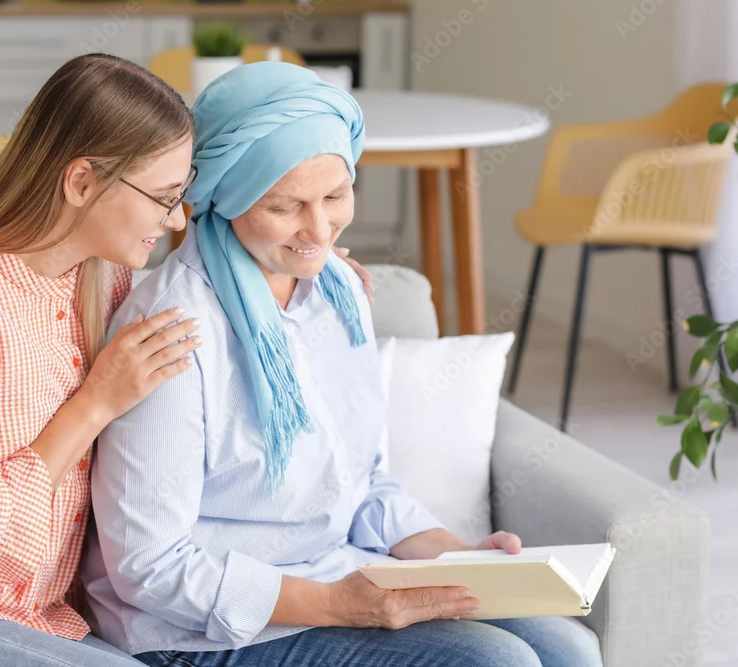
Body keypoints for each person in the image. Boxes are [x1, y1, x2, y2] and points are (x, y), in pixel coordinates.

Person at [0, 54, 372, 667]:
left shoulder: (105, 278)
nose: (176, 219)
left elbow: (211, 276)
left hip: (32, 617)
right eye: (162, 198)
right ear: (80, 183)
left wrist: (311, 268)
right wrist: (96, 402)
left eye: (180, 196)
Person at [81, 62, 604, 667]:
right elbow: (149, 567)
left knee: (566, 645)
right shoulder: (171, 331)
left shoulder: (339, 291)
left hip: (335, 573)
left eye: (334, 196)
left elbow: (362, 484)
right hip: (200, 631)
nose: (318, 230)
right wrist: (338, 605)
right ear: (227, 198)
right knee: (494, 661)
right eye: (285, 206)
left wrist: (461, 557)